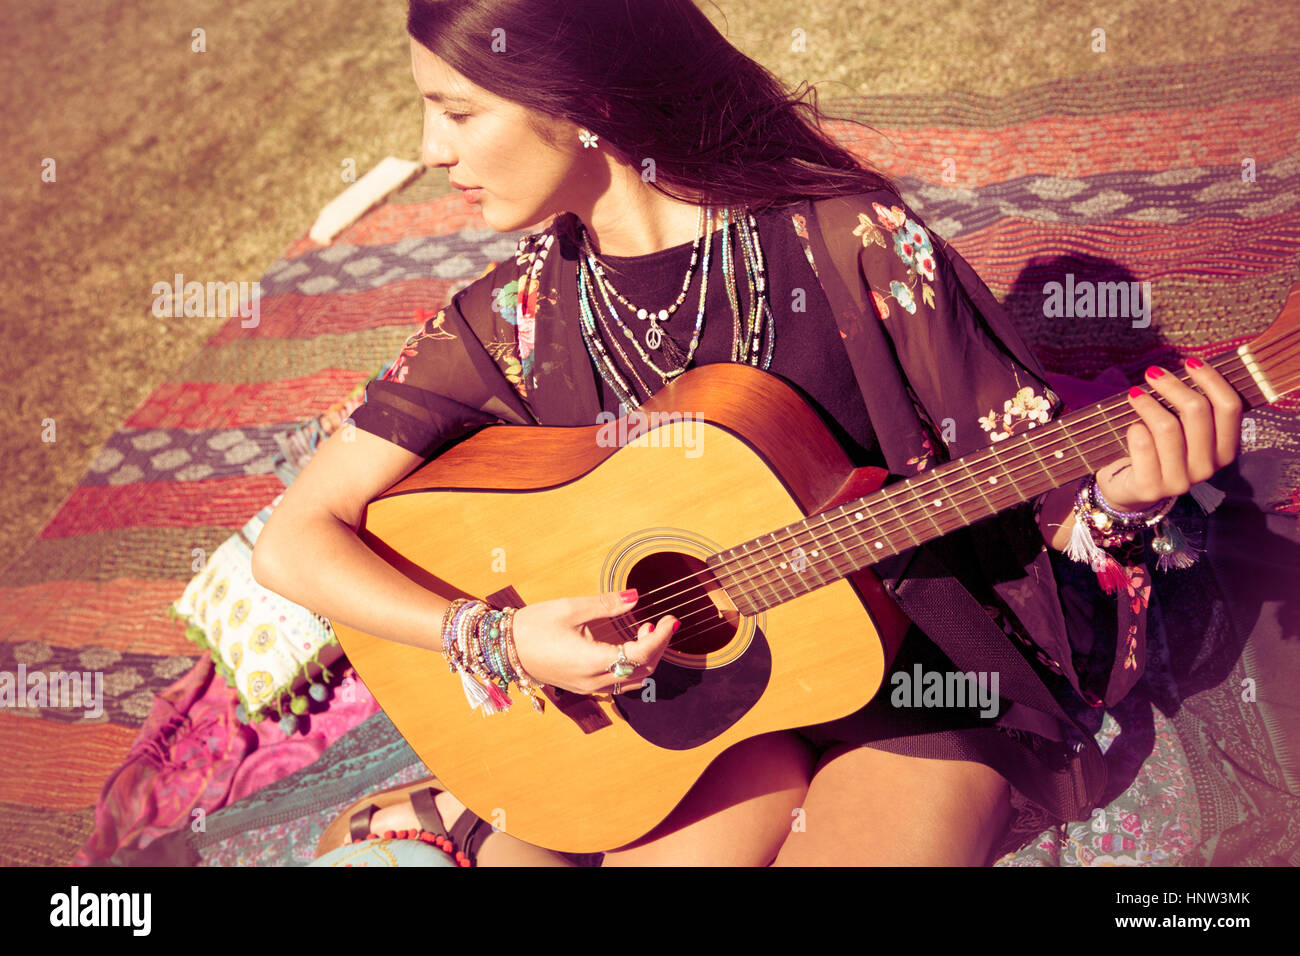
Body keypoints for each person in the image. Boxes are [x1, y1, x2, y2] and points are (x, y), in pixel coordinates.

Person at [252, 0, 1244, 867]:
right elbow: (296, 541)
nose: (431, 152)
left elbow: (1036, 501)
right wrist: (497, 636)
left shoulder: (849, 240)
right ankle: (487, 825)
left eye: (459, 112)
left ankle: (479, 831)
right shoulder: (510, 317)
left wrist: (1125, 499)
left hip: (916, 690)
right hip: (685, 718)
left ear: (586, 103)